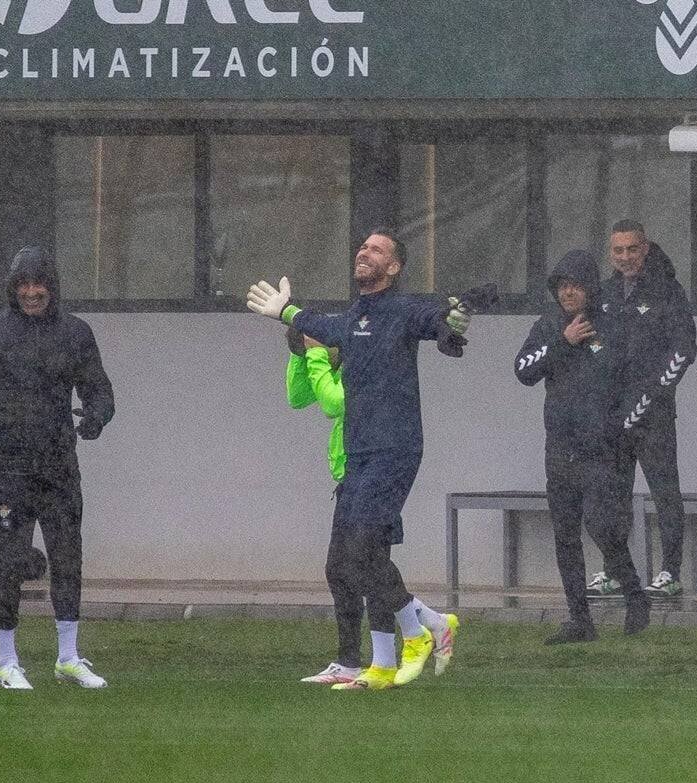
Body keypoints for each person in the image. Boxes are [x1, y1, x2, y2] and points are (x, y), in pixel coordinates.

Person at [246, 228, 463, 691]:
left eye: (377, 249)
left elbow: (435, 319)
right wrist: (286, 311)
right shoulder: (354, 317)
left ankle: (418, 631)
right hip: (359, 454)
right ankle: (391, 658)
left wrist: (451, 323)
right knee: (350, 559)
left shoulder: (402, 310)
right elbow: (323, 328)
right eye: (363, 247)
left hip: (394, 448)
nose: (365, 252)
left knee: (363, 551)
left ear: (395, 267)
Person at [0, 246, 115, 691]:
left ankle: (68, 656)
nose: (33, 293)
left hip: (58, 465)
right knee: (9, 561)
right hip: (6, 467)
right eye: (25, 285)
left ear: (52, 288)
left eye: (40, 285)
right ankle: (6, 661)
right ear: (13, 289)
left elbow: (100, 390)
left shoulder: (75, 333)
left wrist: (95, 417)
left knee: (67, 557)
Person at [514, 249, 650, 644]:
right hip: (560, 450)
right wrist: (563, 341)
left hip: (603, 450)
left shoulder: (615, 328)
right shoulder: (548, 327)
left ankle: (633, 593)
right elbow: (523, 370)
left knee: (604, 528)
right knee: (565, 533)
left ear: (589, 289)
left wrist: (622, 432)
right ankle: (579, 618)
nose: (568, 293)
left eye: (575, 286)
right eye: (562, 287)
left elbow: (634, 383)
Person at [284, 326, 403, 686]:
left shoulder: (360, 365)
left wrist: (317, 353)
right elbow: (298, 397)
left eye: (316, 345)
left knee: (370, 567)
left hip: (375, 476)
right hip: (351, 479)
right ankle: (351, 661)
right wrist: (299, 354)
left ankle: (403, 644)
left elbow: (334, 403)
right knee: (342, 570)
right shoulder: (332, 364)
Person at [585, 221, 697, 601]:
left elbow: (684, 350)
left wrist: (652, 396)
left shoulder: (667, 289)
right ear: (610, 253)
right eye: (618, 251)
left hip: (655, 418)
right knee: (613, 494)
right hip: (613, 418)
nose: (625, 257)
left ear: (645, 248)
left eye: (632, 249)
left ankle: (670, 572)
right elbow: (591, 348)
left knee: (665, 492)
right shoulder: (603, 294)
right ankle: (614, 570)